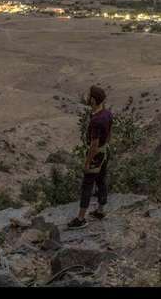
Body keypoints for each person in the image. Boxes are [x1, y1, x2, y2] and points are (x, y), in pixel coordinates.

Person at [67, 85, 113, 229]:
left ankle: (81, 219)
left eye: (89, 96)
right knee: (101, 180)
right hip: (105, 151)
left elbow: (93, 145)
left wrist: (87, 162)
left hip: (96, 154)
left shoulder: (96, 120)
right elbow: (110, 133)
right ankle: (100, 211)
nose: (87, 98)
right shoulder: (107, 113)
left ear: (93, 100)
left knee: (87, 185)